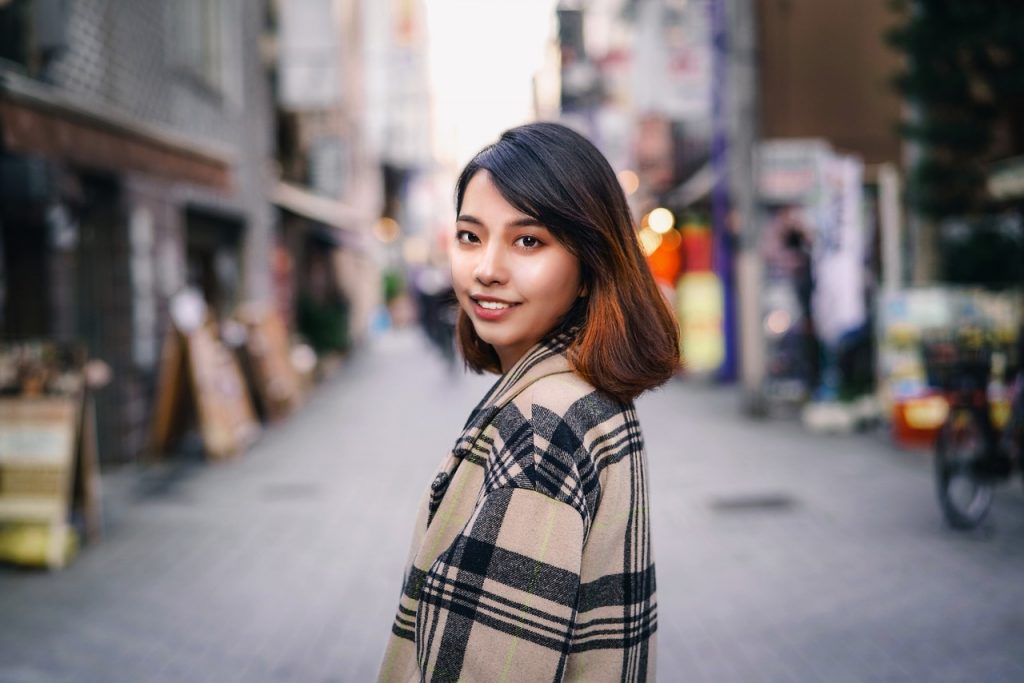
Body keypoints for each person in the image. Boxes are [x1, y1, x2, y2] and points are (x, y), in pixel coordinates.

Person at [376, 122, 679, 682]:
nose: (486, 268)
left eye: (528, 241)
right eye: (470, 236)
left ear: (590, 267)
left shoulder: (542, 429)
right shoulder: (583, 396)